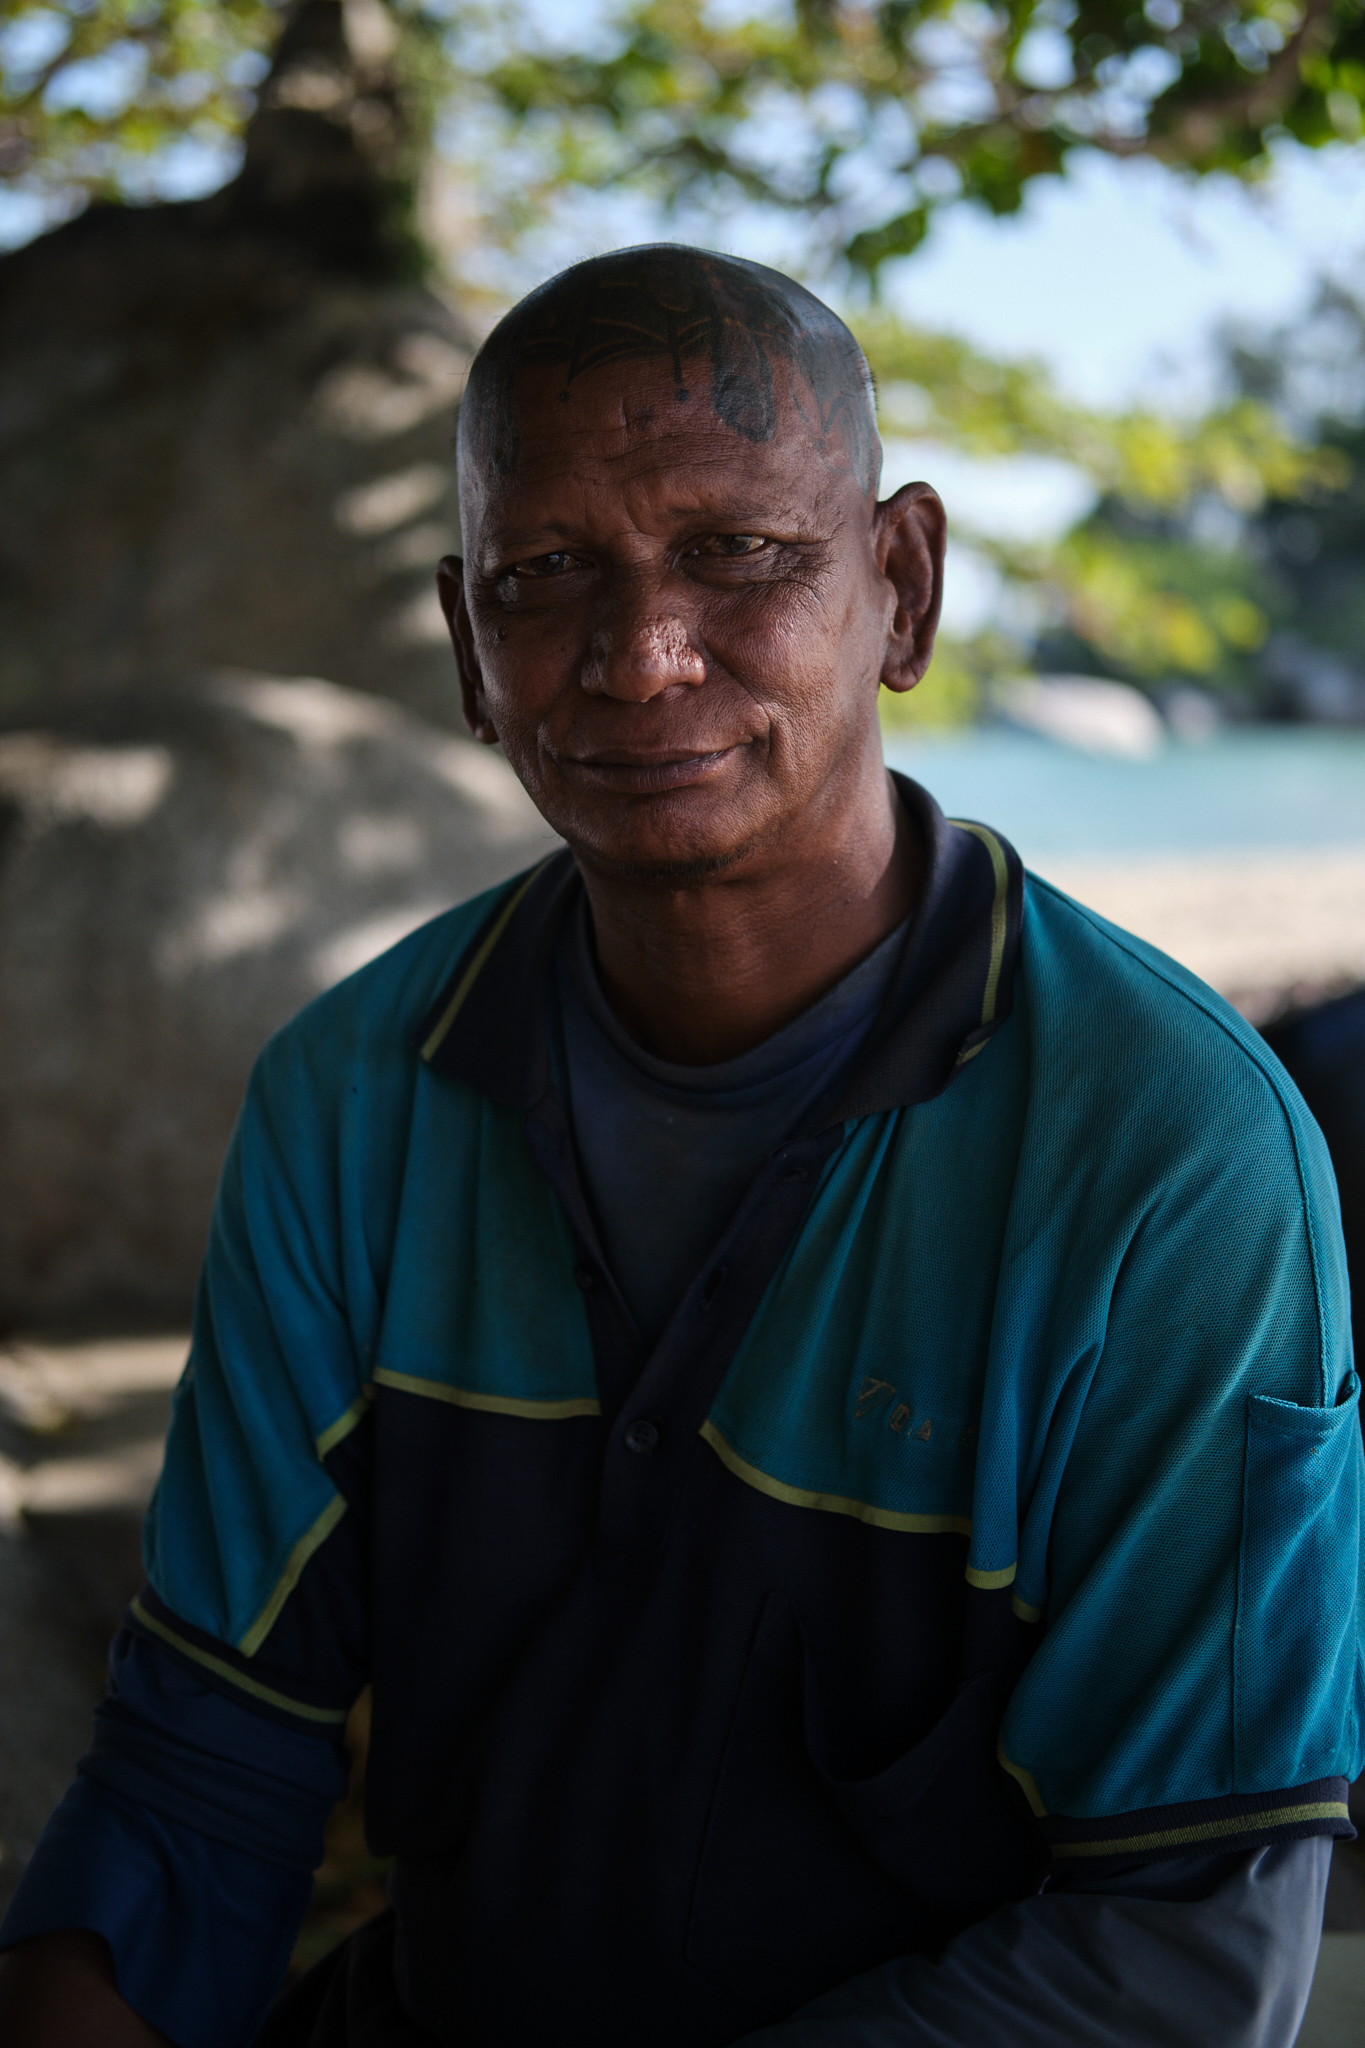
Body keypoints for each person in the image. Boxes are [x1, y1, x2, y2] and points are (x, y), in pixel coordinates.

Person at [0, 244, 1359, 2048]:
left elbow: (1185, 1950)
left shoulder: (1168, 1159)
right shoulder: (353, 1096)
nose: (638, 654)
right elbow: (203, 1768)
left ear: (902, 586)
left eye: (737, 552)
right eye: (545, 574)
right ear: (468, 650)